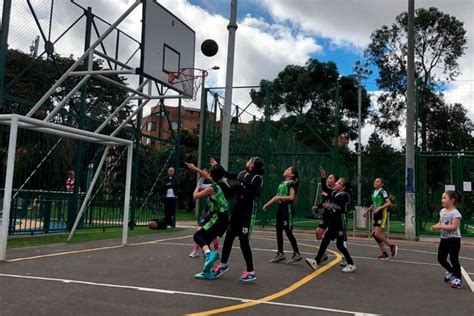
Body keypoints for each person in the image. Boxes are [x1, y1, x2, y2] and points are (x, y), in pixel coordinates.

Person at [213, 157, 264, 282]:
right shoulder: (242, 173)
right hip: (237, 209)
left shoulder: (256, 178)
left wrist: (241, 189)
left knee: (243, 240)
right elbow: (228, 175)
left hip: (247, 212)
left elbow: (256, 193)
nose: (247, 161)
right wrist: (218, 167)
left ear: (252, 165)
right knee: (229, 236)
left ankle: (251, 271)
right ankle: (223, 264)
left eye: (250, 160)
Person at [186, 163, 229, 280]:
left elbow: (195, 196)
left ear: (211, 175)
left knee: (197, 236)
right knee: (205, 241)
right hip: (223, 218)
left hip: (218, 217)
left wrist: (197, 187)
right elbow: (209, 176)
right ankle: (207, 271)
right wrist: (196, 169)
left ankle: (209, 255)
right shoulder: (222, 183)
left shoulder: (211, 188)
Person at [305, 177, 356, 273]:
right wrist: (320, 206)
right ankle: (316, 261)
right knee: (325, 241)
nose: (336, 183)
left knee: (340, 245)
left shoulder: (345, 195)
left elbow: (339, 203)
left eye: (339, 183)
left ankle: (351, 264)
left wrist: (328, 196)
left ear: (343, 187)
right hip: (332, 222)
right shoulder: (333, 193)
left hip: (339, 222)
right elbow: (329, 203)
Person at [263, 166, 302, 264]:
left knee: (288, 230)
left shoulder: (292, 184)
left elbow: (291, 197)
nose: (285, 170)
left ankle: (297, 253)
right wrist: (268, 203)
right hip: (280, 208)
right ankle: (280, 253)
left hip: (287, 208)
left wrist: (279, 197)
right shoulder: (282, 183)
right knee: (278, 230)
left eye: (288, 169)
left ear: (292, 174)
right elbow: (277, 195)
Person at [431, 191, 463, 289]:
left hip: (454, 239)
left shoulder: (455, 213)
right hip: (444, 239)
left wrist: (440, 226)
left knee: (453, 258)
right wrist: (436, 226)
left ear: (452, 200)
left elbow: (454, 227)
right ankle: (451, 271)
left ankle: (458, 278)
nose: (442, 200)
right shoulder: (442, 211)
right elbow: (440, 222)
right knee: (441, 258)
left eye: (445, 198)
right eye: (442, 198)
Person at [363, 178, 398, 260]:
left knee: (377, 234)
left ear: (382, 184)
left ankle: (392, 246)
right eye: (375, 181)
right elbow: (374, 203)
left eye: (377, 181)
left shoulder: (383, 191)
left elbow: (389, 203)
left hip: (382, 214)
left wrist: (379, 208)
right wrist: (367, 211)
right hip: (376, 214)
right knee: (375, 235)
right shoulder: (374, 192)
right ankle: (384, 253)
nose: (375, 182)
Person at [311, 168, 338, 265]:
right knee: (318, 233)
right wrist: (317, 206)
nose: (328, 179)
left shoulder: (337, 192)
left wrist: (323, 176)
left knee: (340, 239)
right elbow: (324, 202)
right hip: (326, 216)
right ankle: (322, 254)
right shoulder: (326, 190)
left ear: (335, 181)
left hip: (335, 217)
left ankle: (346, 259)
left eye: (330, 178)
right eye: (328, 178)